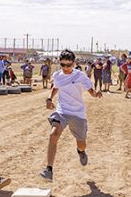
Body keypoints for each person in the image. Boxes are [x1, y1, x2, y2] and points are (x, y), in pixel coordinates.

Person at [39, 50, 102, 181]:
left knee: (81, 144)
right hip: (62, 111)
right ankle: (49, 169)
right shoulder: (57, 75)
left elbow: (92, 92)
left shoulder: (80, 76)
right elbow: (56, 87)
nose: (66, 68)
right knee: (53, 134)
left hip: (78, 113)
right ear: (60, 63)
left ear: (74, 63)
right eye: (63, 65)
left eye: (69, 65)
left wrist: (97, 93)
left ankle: (81, 151)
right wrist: (49, 98)